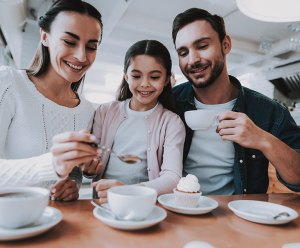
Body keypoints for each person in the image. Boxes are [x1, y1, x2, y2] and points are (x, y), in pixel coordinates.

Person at [171, 8, 300, 195]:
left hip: (237, 218)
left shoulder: (268, 111)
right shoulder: (169, 102)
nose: (193, 60)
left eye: (202, 46)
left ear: (226, 45)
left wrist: (263, 139)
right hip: (176, 213)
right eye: (183, 52)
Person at [52, 40, 186, 204]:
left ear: (166, 79)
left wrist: (129, 192)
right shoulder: (105, 111)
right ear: (126, 76)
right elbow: (92, 168)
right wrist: (88, 167)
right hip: (102, 204)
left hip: (145, 206)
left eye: (155, 77)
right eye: (136, 76)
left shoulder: (172, 122)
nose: (144, 84)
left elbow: (172, 178)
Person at [0, 0, 103, 201]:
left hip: (57, 223)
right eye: (70, 42)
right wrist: (52, 165)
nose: (81, 56)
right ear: (45, 36)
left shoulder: (87, 111)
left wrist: (73, 184)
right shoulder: (9, 84)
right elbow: (55, 166)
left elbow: (73, 173)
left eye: (91, 46)